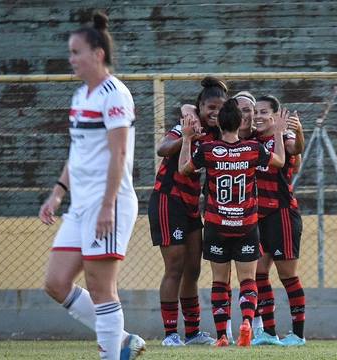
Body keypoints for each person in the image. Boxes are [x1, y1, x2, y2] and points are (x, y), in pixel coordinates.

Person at [39, 11, 145, 360]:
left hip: (108, 204)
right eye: (70, 52)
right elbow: (78, 151)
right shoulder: (80, 96)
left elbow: (118, 155)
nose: (71, 59)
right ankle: (124, 341)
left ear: (97, 54)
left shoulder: (115, 95)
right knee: (56, 283)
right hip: (80, 205)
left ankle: (111, 354)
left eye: (76, 52)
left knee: (102, 290)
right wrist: (57, 192)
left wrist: (107, 205)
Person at [178, 98, 287, 347]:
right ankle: (247, 321)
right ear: (240, 123)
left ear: (220, 123)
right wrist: (279, 133)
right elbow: (280, 161)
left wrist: (186, 138)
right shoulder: (252, 149)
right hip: (246, 224)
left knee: (219, 280)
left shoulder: (208, 150)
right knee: (248, 280)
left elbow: (185, 169)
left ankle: (222, 336)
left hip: (217, 225)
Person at [148, 77, 226, 346]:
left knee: (193, 270)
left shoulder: (218, 133)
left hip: (192, 205)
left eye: (220, 108)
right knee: (175, 267)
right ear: (200, 107)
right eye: (210, 108)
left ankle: (192, 333)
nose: (215, 113)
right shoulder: (188, 126)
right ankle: (170, 334)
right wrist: (186, 136)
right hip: (168, 201)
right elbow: (162, 148)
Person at [250, 95, 307, 347]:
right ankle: (269, 333)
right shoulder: (250, 141)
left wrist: (298, 130)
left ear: (275, 116)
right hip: (258, 216)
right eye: (255, 112)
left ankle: (298, 334)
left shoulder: (285, 138)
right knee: (260, 273)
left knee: (287, 275)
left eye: (263, 112)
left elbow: (296, 149)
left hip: (282, 213)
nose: (258, 116)